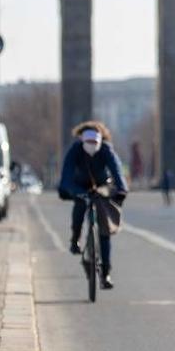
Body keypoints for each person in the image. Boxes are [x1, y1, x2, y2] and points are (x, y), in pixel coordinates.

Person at [57, 121, 128, 289]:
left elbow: (117, 171)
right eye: (88, 142)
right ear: (82, 141)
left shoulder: (106, 150)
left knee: (104, 229)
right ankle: (75, 239)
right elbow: (66, 176)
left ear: (100, 141)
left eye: (94, 142)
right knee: (80, 205)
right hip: (80, 185)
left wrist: (122, 189)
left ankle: (105, 272)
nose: (91, 145)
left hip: (100, 187)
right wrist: (71, 190)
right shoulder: (75, 150)